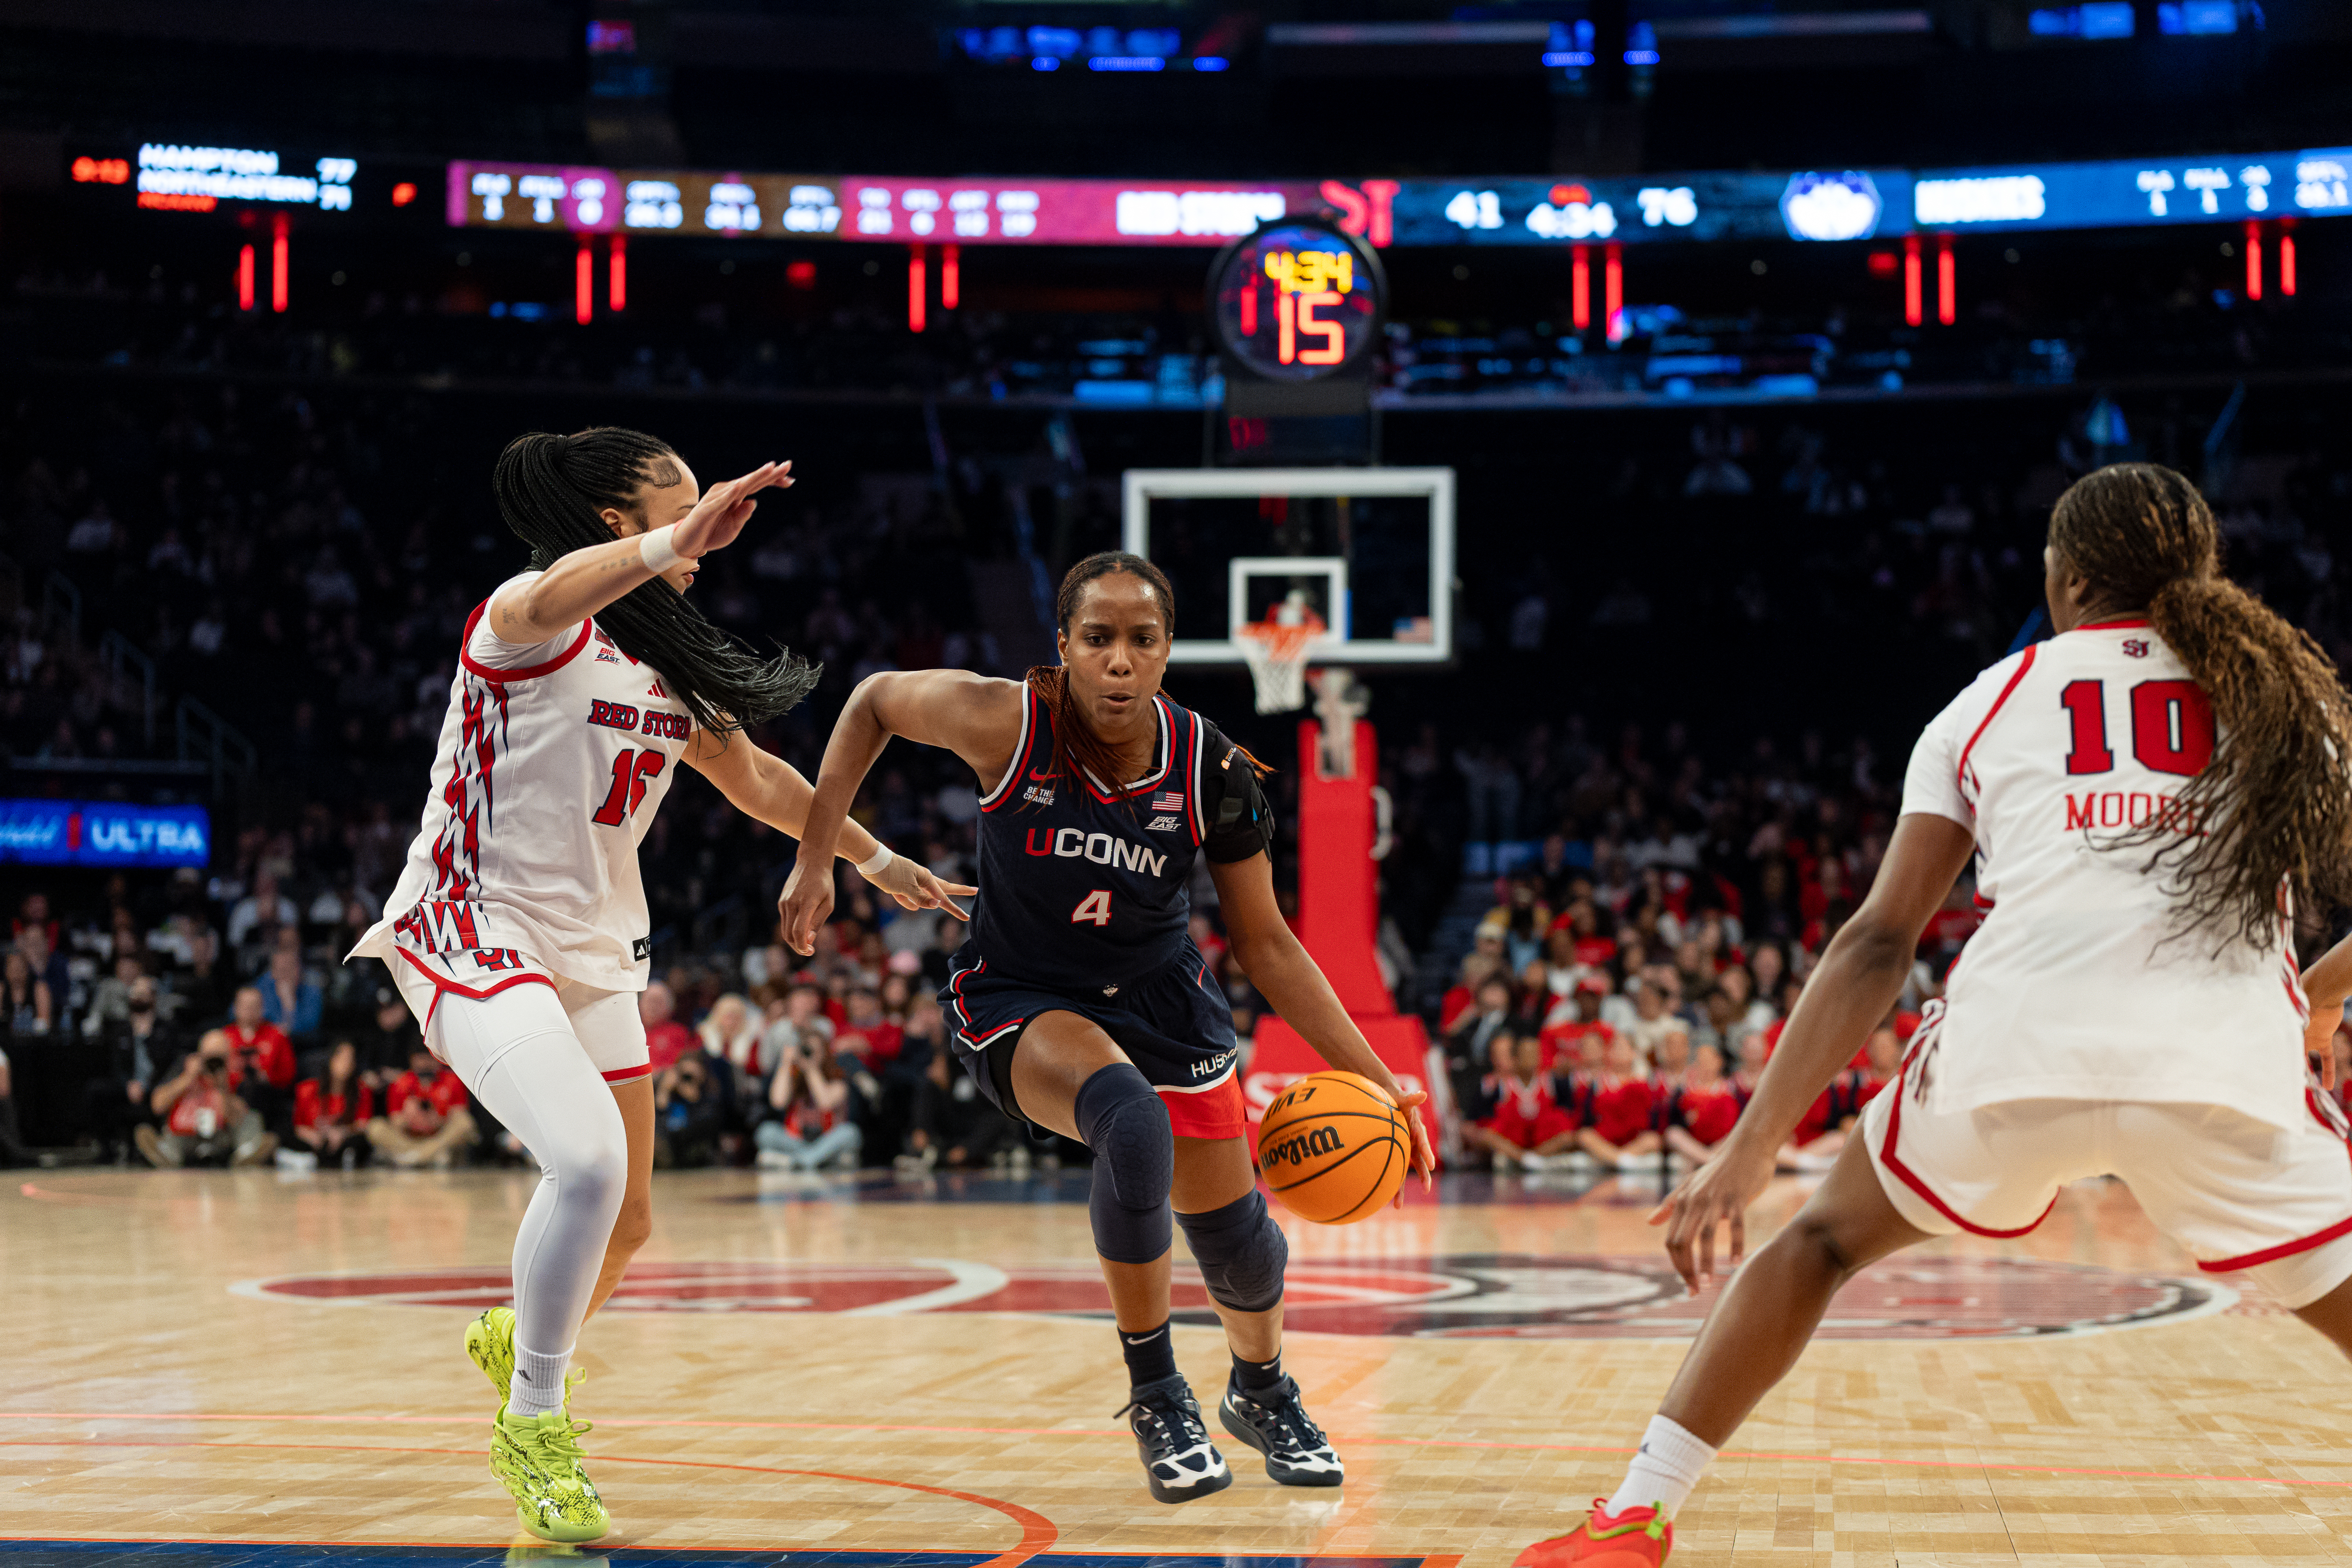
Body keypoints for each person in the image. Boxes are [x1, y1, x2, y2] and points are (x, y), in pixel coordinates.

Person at [1518, 463, 2352, 1567]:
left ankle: (1632, 1516)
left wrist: (1748, 1145)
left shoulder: (1988, 700)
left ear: (2066, 579)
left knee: (1812, 1243)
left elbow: (1875, 940)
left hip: (2010, 1057)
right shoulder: (2285, 703)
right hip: (2218, 1068)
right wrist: (2319, 997)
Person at [343, 427, 971, 1543]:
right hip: (471, 926)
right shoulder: (523, 619)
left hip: (592, 951)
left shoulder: (665, 669)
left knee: (628, 1216)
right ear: (614, 524)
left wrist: (867, 860)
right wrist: (670, 537)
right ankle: (534, 1421)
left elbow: (756, 778)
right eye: (680, 518)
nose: (701, 548)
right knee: (582, 1161)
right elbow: (564, 585)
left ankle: (517, 1335)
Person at [778, 549, 1436, 1505]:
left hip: (1161, 993)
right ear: (1065, 647)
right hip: (1022, 993)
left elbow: (1269, 944)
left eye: (1142, 639)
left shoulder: (1211, 765)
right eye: (1098, 639)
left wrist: (1382, 1079)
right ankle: (1158, 1392)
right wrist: (820, 858)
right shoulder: (1007, 719)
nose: (1119, 661)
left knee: (1240, 1241)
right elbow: (874, 700)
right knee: (1130, 1122)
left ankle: (1262, 1389)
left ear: (1170, 650)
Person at [139, 1030, 275, 1167]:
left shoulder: (236, 1072)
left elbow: (239, 1117)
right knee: (169, 1133)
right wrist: (187, 1078)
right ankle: (167, 1155)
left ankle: (246, 1154)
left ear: (228, 1056)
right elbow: (157, 1106)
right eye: (209, 1057)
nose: (213, 1063)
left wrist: (223, 1088)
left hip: (221, 1137)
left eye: (219, 1058)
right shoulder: (184, 1067)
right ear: (200, 1055)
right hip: (186, 1135)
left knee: (252, 1118)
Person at [755, 1035, 862, 1170]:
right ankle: (814, 1160)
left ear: (825, 1054)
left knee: (850, 1132)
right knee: (766, 1131)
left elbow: (825, 1103)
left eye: (816, 1052)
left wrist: (811, 1069)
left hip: (828, 1141)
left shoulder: (838, 1082)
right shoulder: (794, 1079)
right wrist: (786, 1063)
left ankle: (797, 1161)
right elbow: (778, 1102)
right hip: (798, 1142)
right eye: (807, 1051)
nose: (810, 1055)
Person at [366, 1046, 478, 1167]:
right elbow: (396, 1121)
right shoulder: (401, 1082)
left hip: (439, 1137)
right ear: (412, 1060)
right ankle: (428, 1157)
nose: (425, 1064)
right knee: (375, 1127)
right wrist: (409, 1118)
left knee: (465, 1122)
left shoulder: (452, 1080)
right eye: (420, 1059)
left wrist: (440, 1118)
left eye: (429, 1058)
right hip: (410, 1140)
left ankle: (413, 1158)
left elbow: (460, 1114)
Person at [292, 1039, 373, 1166]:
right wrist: (313, 1137)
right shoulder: (308, 1089)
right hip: (314, 1141)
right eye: (342, 1058)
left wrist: (342, 1132)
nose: (346, 1064)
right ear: (331, 1060)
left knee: (360, 1142)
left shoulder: (362, 1090)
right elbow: (298, 1126)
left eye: (350, 1059)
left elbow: (363, 1124)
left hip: (344, 1141)